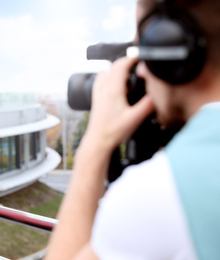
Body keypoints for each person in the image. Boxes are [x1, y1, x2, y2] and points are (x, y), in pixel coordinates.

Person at [46, 0, 220, 259]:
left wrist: (94, 146)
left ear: (173, 47)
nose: (140, 70)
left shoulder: (158, 194)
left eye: (145, 49)